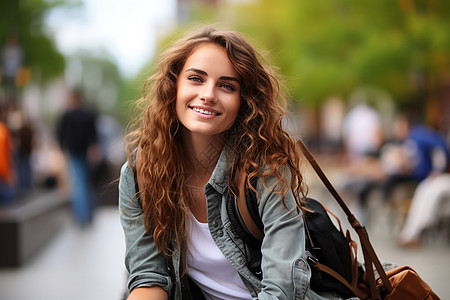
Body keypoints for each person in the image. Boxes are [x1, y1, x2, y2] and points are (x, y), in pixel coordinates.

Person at [119, 26, 344, 300]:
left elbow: (282, 290)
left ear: (244, 101)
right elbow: (147, 278)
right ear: (174, 85)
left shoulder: (266, 170)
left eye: (227, 85)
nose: (209, 94)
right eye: (195, 78)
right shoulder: (141, 172)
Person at [57, 89, 98, 226]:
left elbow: (60, 134)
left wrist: (62, 149)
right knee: (86, 182)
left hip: (74, 152)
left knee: (79, 184)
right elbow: (93, 134)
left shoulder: (66, 115)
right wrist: (93, 148)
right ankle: (88, 213)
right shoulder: (88, 114)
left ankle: (81, 215)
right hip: (86, 152)